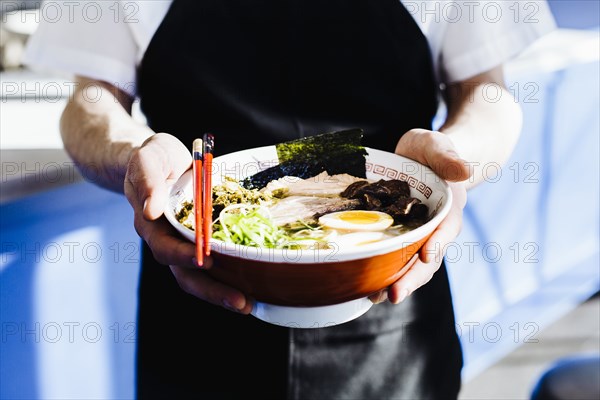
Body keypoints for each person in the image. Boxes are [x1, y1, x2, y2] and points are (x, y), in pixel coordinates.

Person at [24, 1, 555, 398]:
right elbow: (90, 99)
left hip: (388, 298)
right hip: (199, 296)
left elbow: (486, 91)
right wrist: (134, 155)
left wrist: (453, 159)